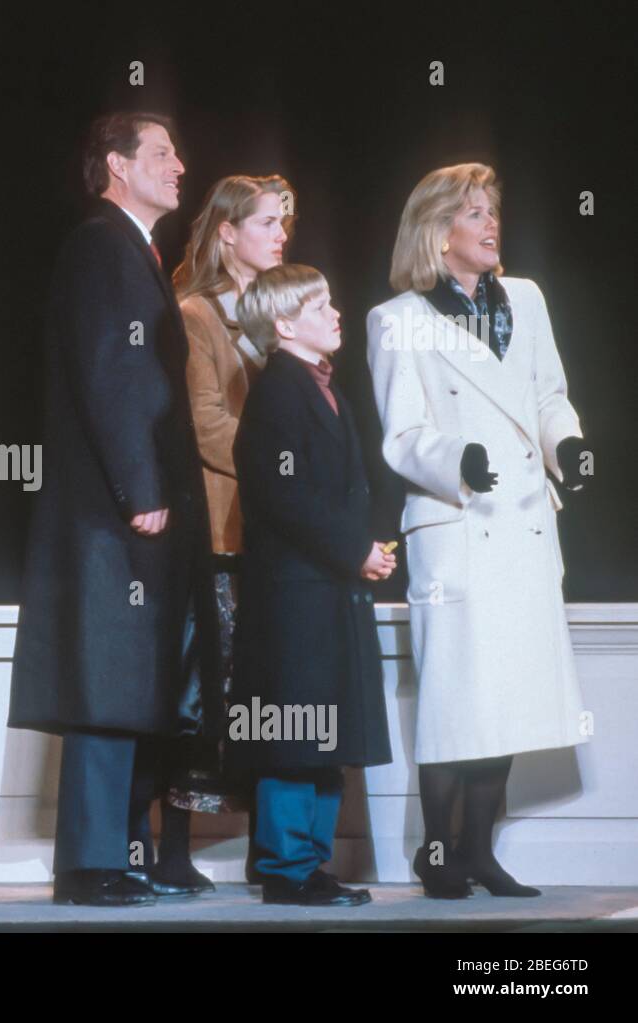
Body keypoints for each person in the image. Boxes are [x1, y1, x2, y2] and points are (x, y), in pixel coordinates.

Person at [8, 112, 220, 907]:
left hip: (130, 506)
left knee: (130, 679)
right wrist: (143, 489)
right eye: (162, 152)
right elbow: (112, 372)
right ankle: (91, 864)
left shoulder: (135, 250)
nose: (178, 164)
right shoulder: (102, 244)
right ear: (115, 165)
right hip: (113, 510)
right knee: (105, 679)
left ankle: (116, 855)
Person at [366, 163, 591, 898]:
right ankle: (440, 854)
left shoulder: (526, 299)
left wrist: (569, 445)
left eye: (492, 210)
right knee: (457, 699)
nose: (491, 224)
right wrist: (453, 460)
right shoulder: (396, 318)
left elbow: (548, 395)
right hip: (458, 525)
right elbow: (401, 436)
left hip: (523, 523)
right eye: (473, 214)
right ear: (437, 231)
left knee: (511, 697)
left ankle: (480, 851)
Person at [232, 264, 395, 906]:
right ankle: (287, 867)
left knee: (322, 732)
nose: (335, 313)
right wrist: (354, 549)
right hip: (295, 595)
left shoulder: (324, 389)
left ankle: (308, 865)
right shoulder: (278, 393)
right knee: (294, 730)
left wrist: (362, 549)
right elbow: (282, 495)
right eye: (319, 304)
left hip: (326, 591)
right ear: (283, 324)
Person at [169, 174, 292, 883]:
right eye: (268, 222)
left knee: (262, 692)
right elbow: (205, 421)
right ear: (227, 233)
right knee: (202, 686)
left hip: (273, 535)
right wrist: (282, 462)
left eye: (283, 224)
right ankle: (171, 849)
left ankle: (264, 850)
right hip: (221, 528)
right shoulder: (196, 314)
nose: (280, 236)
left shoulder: (283, 316)